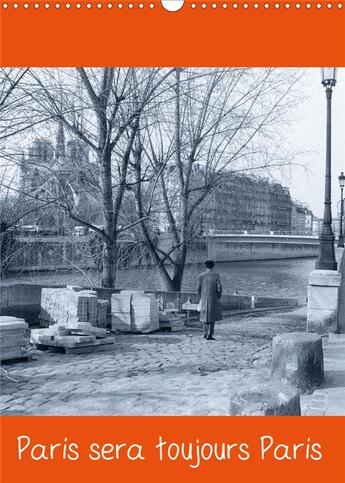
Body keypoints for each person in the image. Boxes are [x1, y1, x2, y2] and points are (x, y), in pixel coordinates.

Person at [197, 260, 222, 340]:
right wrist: (218, 295)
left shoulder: (201, 276)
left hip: (204, 297)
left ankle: (205, 333)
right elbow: (219, 287)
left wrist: (201, 296)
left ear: (205, 266)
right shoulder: (216, 275)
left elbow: (198, 288)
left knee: (204, 315)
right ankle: (210, 334)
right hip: (213, 297)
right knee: (212, 316)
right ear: (213, 266)